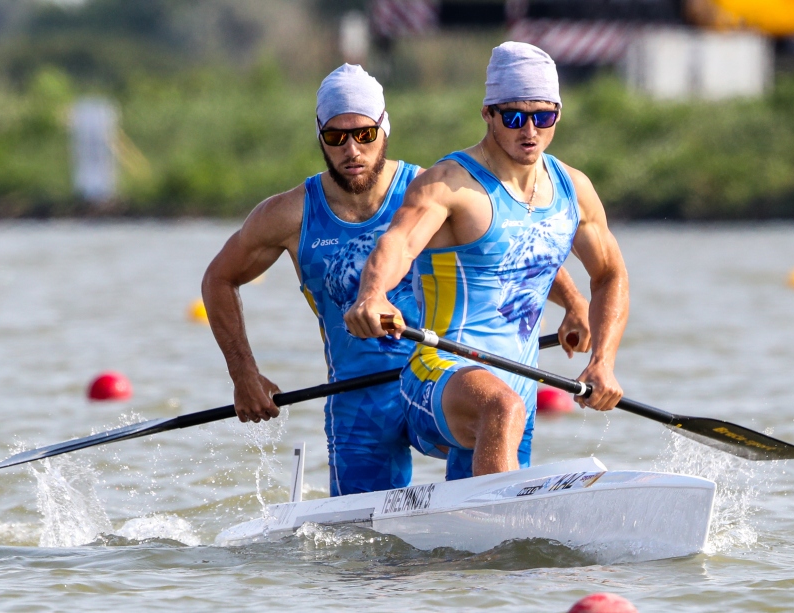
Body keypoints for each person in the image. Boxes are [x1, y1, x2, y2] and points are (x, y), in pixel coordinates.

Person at [202, 64, 591, 496]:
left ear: (385, 129)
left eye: (365, 134)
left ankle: (494, 532)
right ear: (320, 138)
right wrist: (244, 375)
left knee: (494, 427)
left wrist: (574, 303)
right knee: (365, 556)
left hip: (441, 380)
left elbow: (507, 248)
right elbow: (219, 279)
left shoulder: (431, 188)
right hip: (359, 399)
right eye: (336, 137)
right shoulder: (289, 215)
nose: (352, 150)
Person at [344, 42, 630, 480]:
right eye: (514, 117)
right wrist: (373, 293)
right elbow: (398, 244)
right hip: (438, 375)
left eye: (544, 116)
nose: (529, 130)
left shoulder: (574, 189)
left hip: (521, 384)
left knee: (503, 425)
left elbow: (609, 273)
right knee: (501, 407)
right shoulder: (450, 183)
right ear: (488, 113)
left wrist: (602, 358)